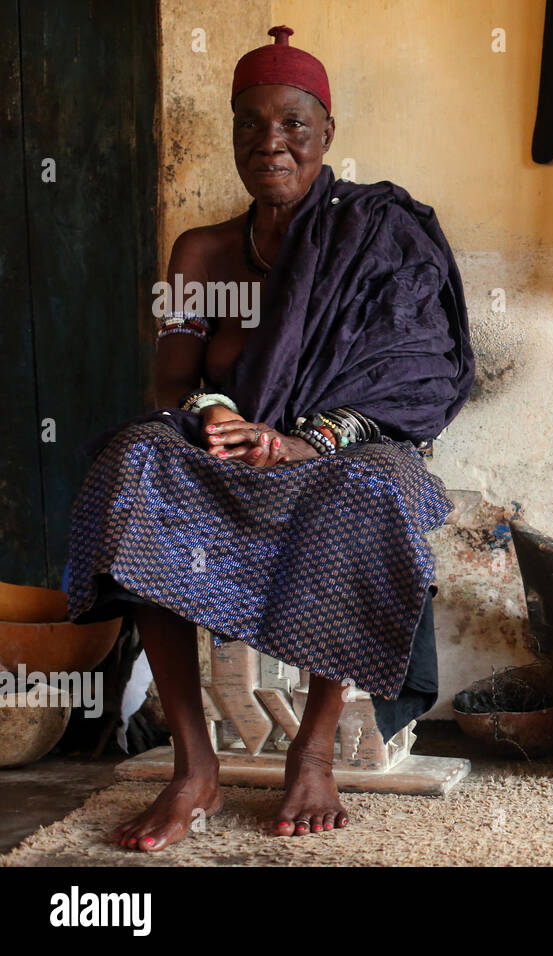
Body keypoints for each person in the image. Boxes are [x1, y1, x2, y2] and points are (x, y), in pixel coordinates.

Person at [64, 26, 474, 852]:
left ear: (327, 134)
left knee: (367, 491)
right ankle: (194, 765)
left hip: (348, 450)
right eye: (249, 125)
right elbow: (170, 382)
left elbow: (418, 375)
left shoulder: (377, 236)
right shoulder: (199, 254)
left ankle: (312, 752)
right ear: (231, 137)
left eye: (293, 124)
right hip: (229, 445)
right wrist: (218, 413)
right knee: (133, 463)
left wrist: (306, 442)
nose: (270, 143)